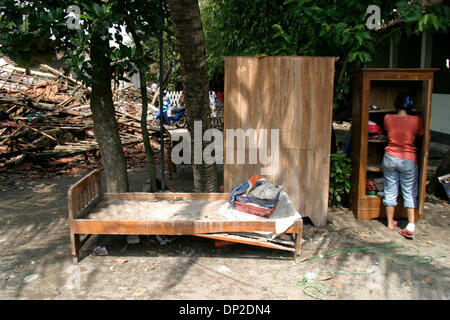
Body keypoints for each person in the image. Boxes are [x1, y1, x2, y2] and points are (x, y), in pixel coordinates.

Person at [382, 92, 424, 239]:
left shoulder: (388, 118)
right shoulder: (417, 120)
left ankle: (389, 223)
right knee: (409, 191)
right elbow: (419, 136)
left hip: (390, 157)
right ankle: (411, 224)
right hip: (408, 159)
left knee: (390, 189)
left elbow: (387, 130)